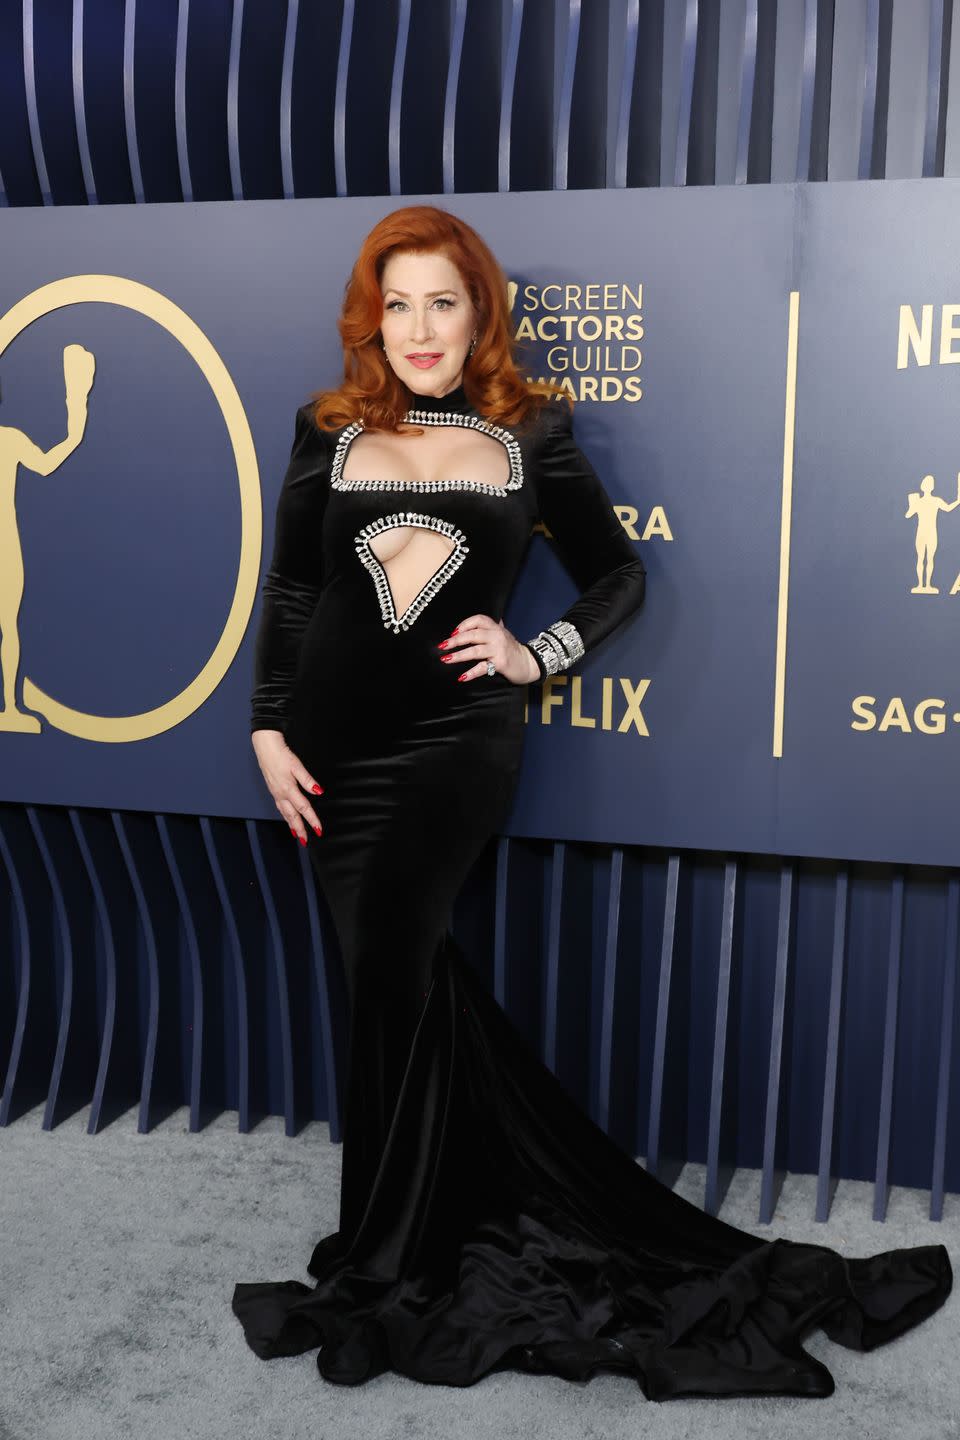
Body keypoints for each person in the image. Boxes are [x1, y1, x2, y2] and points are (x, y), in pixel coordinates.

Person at [232, 204, 951, 1397]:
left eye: (443, 302)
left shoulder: (532, 433)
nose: (420, 328)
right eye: (398, 303)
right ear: (375, 316)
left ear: (480, 314)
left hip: (454, 749)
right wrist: (266, 727)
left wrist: (538, 652)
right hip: (328, 751)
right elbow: (296, 590)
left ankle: (386, 1257)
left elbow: (621, 570)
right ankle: (405, 1229)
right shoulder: (325, 429)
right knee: (389, 987)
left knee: (394, 975)